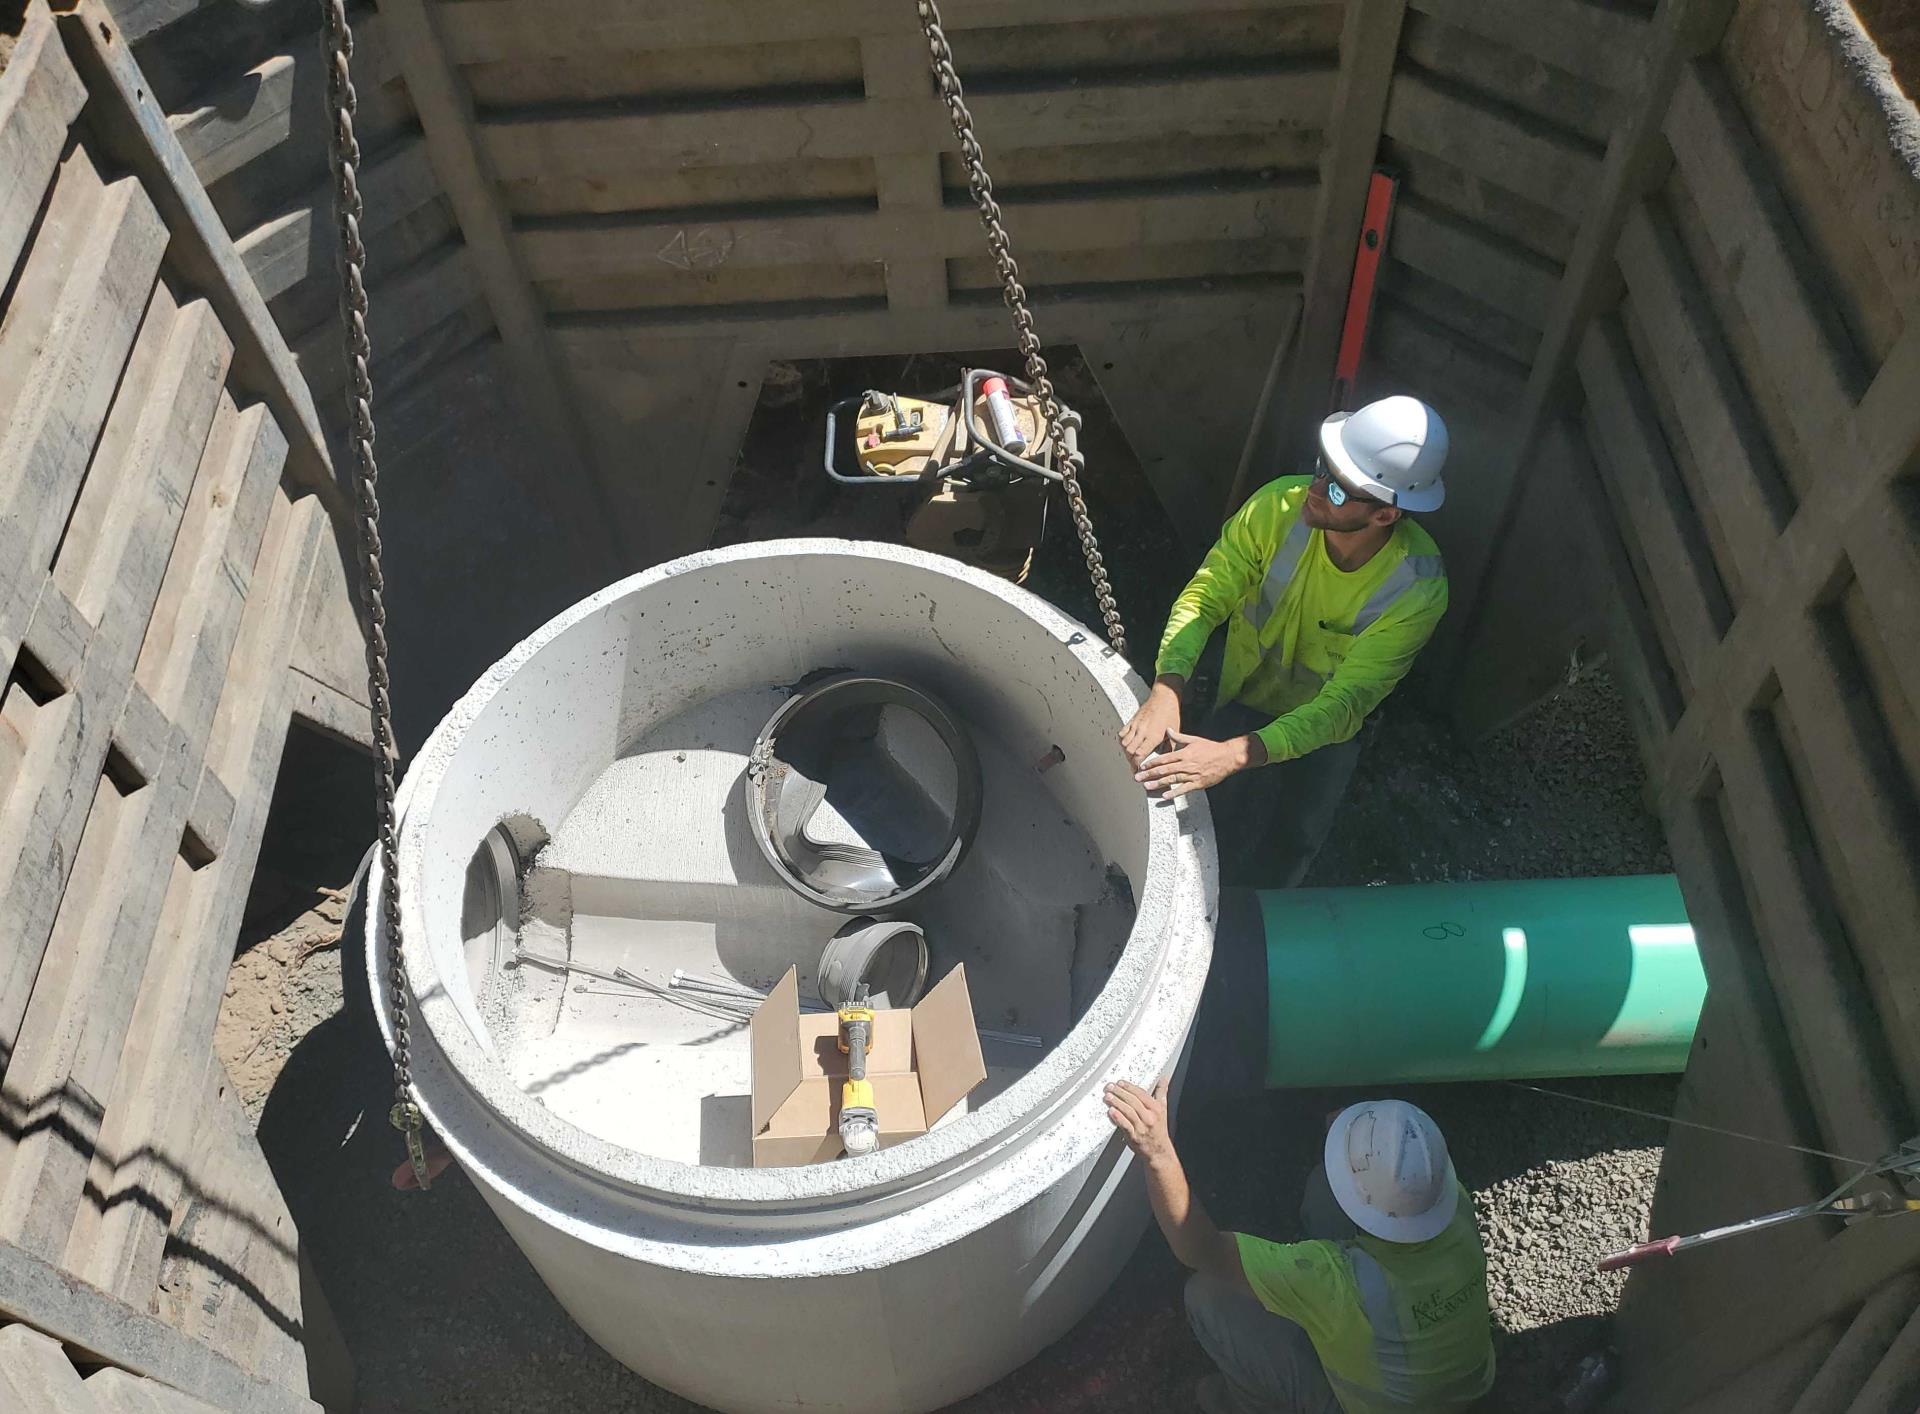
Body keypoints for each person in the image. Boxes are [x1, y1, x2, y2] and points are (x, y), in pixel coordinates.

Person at [1119, 396, 1451, 887]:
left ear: (1384, 516)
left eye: (1338, 491)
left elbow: (1342, 706)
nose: (1315, 491)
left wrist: (1232, 754)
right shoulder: (1277, 507)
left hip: (1326, 727)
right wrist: (1168, 688)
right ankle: (1197, 880)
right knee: (1208, 804)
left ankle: (1270, 905)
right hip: (1244, 684)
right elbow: (1206, 596)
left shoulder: (1415, 591)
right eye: (1322, 469)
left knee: (1296, 829)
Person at [1104, 1082, 1495, 1413]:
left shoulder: (1335, 1283)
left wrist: (1157, 1152)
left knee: (1207, 1296)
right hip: (1471, 1382)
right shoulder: (1451, 1200)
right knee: (1325, 1189)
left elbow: (1200, 1250)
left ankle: (1245, 1402)